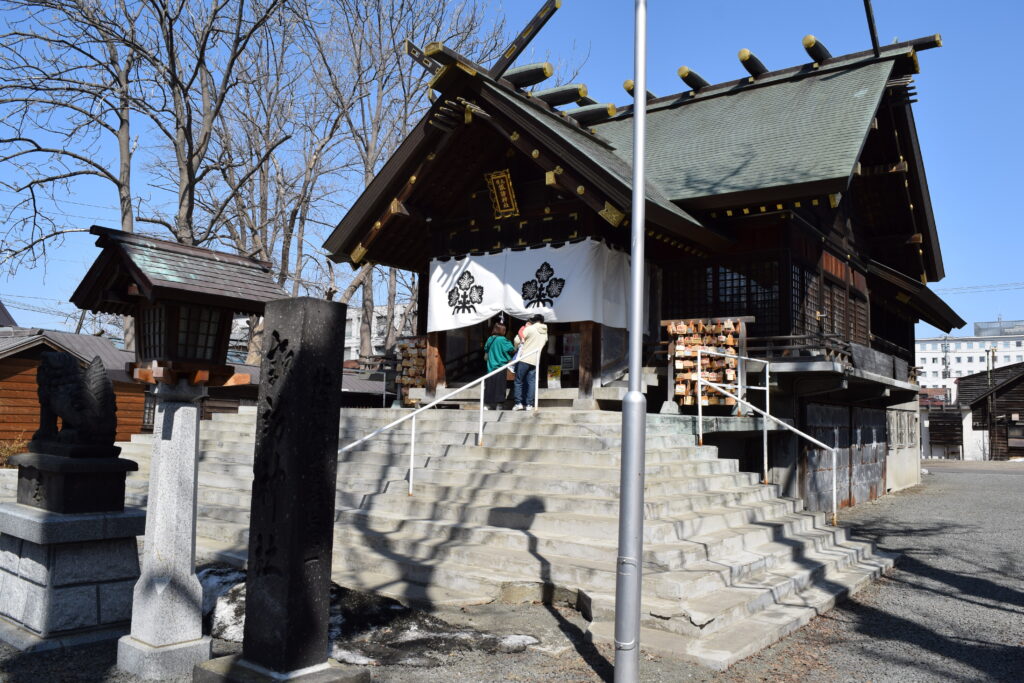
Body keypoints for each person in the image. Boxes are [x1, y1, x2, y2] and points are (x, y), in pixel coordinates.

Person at [512, 314, 548, 411]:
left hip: (524, 358)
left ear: (535, 321)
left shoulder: (530, 329)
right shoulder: (545, 333)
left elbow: (517, 340)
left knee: (518, 381)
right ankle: (529, 404)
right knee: (531, 382)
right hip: (535, 360)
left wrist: (516, 347)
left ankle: (518, 403)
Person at [482, 322, 514, 410]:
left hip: (490, 366)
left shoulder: (490, 339)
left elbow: (486, 349)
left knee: (489, 386)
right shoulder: (503, 340)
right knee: (500, 386)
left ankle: (487, 404)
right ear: (503, 331)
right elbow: (511, 348)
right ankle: (499, 404)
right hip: (501, 367)